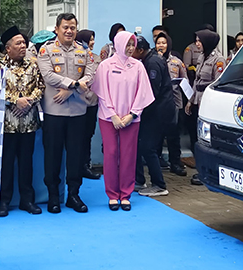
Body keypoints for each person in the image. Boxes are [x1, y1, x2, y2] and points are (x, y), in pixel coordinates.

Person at [36, 13, 98, 214]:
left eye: (73, 27)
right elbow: (48, 75)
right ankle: (53, 196)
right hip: (54, 111)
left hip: (78, 112)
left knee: (76, 155)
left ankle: (73, 195)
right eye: (65, 27)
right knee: (52, 155)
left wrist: (71, 89)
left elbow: (91, 75)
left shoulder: (84, 51)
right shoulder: (46, 49)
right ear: (57, 29)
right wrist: (74, 84)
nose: (69, 31)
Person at [92, 31, 154, 211]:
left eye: (132, 45)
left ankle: (125, 194)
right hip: (108, 118)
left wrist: (132, 114)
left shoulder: (138, 66)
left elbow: (143, 92)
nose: (130, 48)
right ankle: (112, 194)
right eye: (127, 44)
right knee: (111, 154)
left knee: (128, 155)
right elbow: (102, 92)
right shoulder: (105, 65)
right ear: (118, 44)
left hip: (131, 119)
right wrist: (112, 115)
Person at [0, 26, 44, 217]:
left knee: (27, 164)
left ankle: (27, 200)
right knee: (6, 164)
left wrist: (29, 101)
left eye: (24, 43)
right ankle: (4, 201)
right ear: (8, 47)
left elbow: (40, 87)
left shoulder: (33, 65)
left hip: (28, 123)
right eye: (18, 43)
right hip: (6, 125)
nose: (23, 46)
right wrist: (14, 101)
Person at [132, 36, 176, 196]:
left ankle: (159, 184)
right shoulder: (147, 60)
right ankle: (139, 180)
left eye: (132, 49)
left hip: (158, 111)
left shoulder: (152, 63)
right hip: (153, 110)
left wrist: (136, 108)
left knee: (148, 147)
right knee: (140, 145)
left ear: (140, 50)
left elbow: (151, 91)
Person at [187, 29, 226, 185]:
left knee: (207, 138)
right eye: (196, 40)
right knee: (196, 136)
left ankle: (210, 171)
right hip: (198, 99)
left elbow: (218, 84)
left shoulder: (218, 60)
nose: (197, 44)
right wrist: (190, 101)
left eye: (200, 41)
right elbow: (197, 81)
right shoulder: (201, 57)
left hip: (208, 102)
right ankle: (201, 169)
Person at [155, 31, 188, 176]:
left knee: (173, 135)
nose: (161, 45)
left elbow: (185, 80)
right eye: (158, 43)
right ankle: (156, 162)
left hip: (174, 102)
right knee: (157, 134)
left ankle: (175, 163)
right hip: (158, 103)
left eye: (164, 43)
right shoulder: (153, 60)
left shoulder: (176, 62)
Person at [75, 29, 101, 180]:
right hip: (78, 101)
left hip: (92, 102)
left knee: (88, 135)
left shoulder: (96, 58)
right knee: (77, 136)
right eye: (90, 39)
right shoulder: (76, 56)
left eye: (93, 39)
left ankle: (86, 165)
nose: (92, 42)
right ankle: (75, 166)